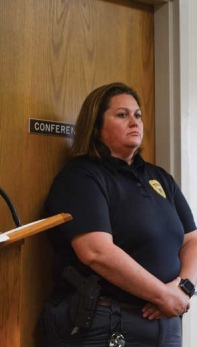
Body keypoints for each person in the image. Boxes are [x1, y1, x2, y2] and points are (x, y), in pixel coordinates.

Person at [41, 82, 197, 347]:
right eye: (122, 115)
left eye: (137, 115)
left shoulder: (159, 177)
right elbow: (96, 252)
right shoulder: (82, 176)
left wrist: (184, 289)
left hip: (166, 321)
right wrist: (162, 295)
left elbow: (192, 240)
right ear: (96, 127)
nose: (134, 122)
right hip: (107, 321)